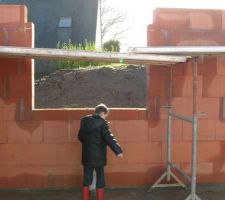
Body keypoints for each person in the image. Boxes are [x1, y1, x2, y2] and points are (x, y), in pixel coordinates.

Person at [78, 103, 123, 200]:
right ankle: (100, 198)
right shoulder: (102, 124)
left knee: (87, 177)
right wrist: (118, 151)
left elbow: (80, 137)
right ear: (102, 113)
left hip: (87, 155)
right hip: (99, 156)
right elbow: (109, 138)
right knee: (100, 178)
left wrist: (88, 145)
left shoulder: (84, 122)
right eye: (106, 115)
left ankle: (85, 198)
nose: (105, 118)